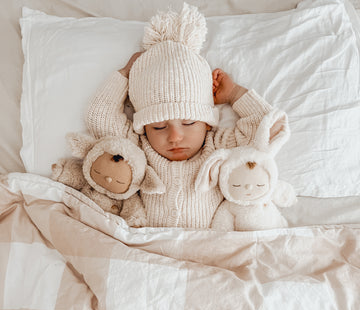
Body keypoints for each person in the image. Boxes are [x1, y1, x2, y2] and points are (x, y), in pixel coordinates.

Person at [86, 3, 289, 229]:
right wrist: (125, 73)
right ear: (143, 127)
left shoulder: (219, 146)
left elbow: (266, 127)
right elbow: (99, 116)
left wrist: (234, 94)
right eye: (159, 127)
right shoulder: (139, 150)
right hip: (152, 247)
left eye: (189, 122)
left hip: (206, 247)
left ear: (207, 123)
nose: (175, 137)